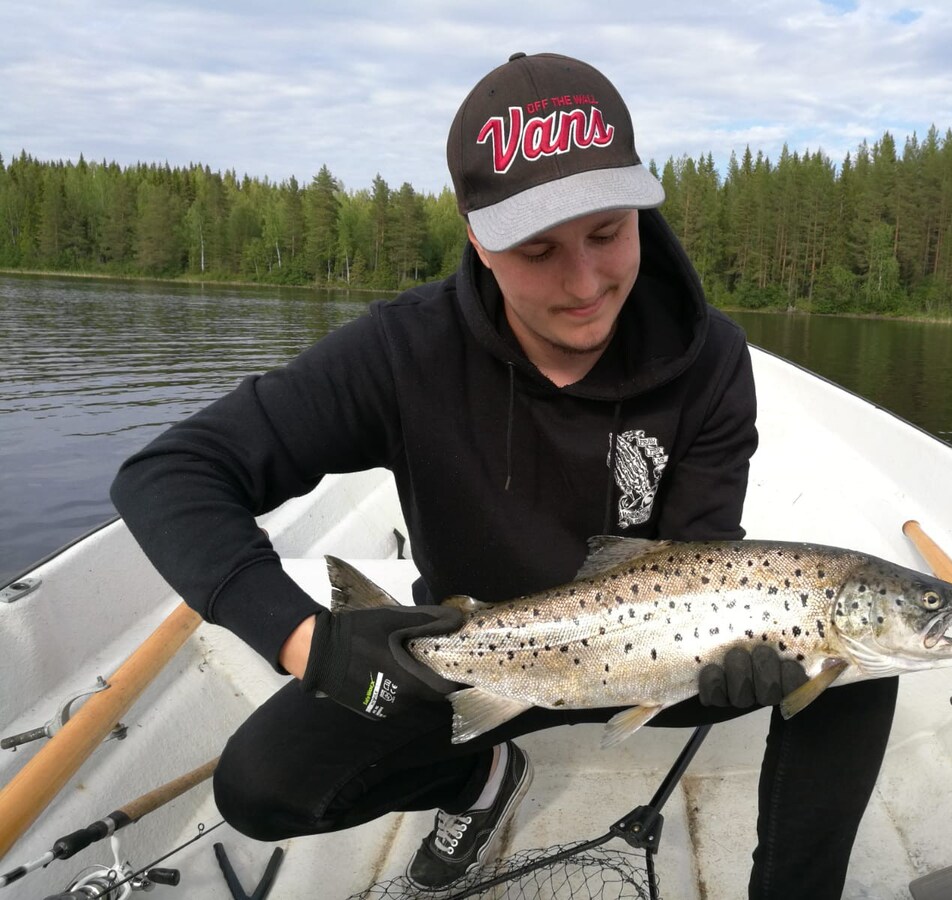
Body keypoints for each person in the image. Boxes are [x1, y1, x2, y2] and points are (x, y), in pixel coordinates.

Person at [110, 52, 896, 898]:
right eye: (537, 249)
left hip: (662, 649)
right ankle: (478, 784)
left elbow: (698, 555)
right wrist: (310, 642)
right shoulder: (400, 353)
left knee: (858, 663)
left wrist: (747, 660)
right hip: (471, 649)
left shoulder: (710, 360)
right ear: (479, 236)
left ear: (639, 206)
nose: (587, 283)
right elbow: (170, 475)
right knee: (261, 787)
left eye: (607, 233)